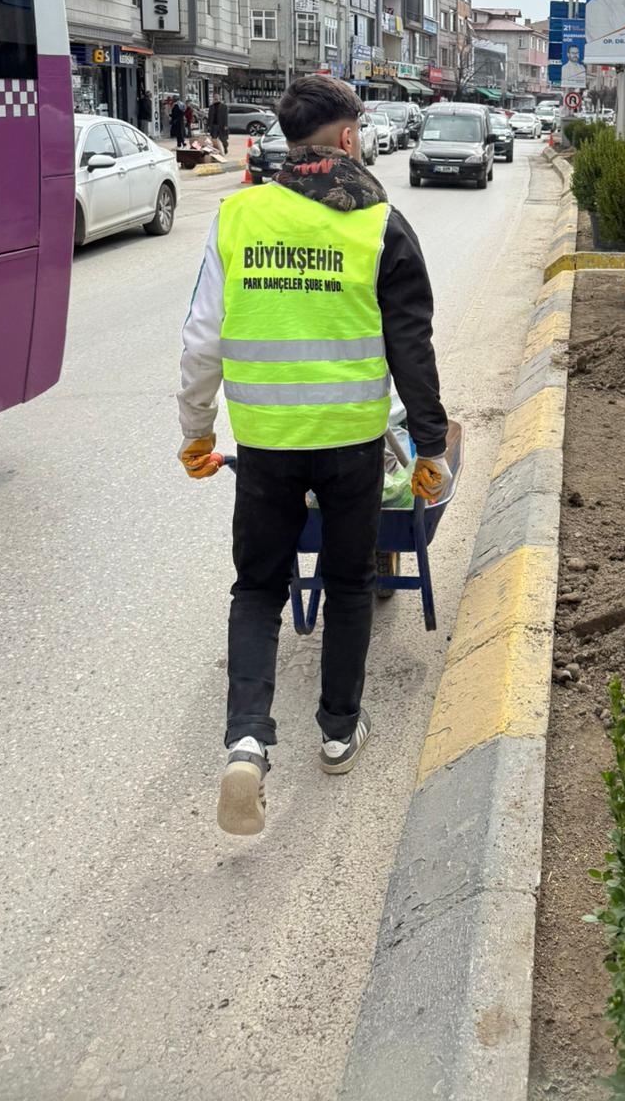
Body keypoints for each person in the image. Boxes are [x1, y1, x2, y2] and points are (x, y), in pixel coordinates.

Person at [176, 75, 450, 837]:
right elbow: (411, 348)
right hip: (353, 446)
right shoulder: (379, 223)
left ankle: (248, 742)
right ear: (350, 137)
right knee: (350, 583)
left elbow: (202, 338)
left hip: (266, 445)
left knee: (258, 589)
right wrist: (429, 446)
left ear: (289, 141)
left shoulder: (239, 215)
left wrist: (197, 431)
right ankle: (336, 732)